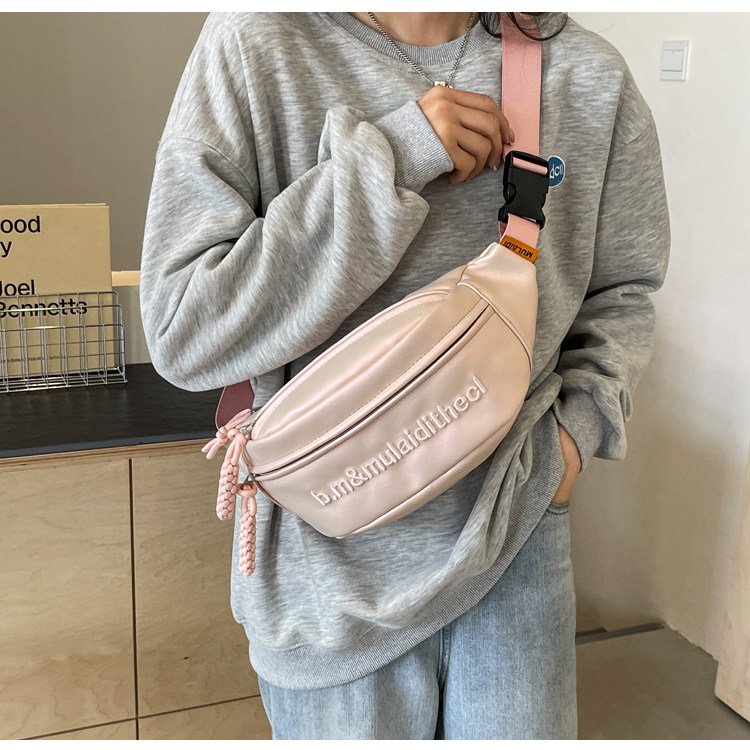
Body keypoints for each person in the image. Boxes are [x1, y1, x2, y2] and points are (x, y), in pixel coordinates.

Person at [139, 11, 670, 740]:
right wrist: (390, 158)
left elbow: (624, 289)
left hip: (516, 536)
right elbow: (184, 330)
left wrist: (572, 441)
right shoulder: (259, 42)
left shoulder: (587, 75)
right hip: (325, 579)